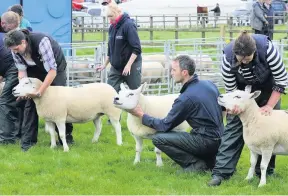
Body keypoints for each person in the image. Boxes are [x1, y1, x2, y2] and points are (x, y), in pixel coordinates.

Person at [208, 31, 288, 186]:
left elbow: (282, 79)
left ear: (254, 52)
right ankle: (221, 173)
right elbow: (231, 89)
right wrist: (234, 108)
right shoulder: (227, 58)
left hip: (268, 89)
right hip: (240, 94)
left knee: (270, 129)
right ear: (235, 53)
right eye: (240, 58)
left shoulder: (268, 50)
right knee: (233, 128)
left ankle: (265, 172)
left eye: (247, 57)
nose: (244, 61)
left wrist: (270, 105)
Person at [126, 55, 224, 172]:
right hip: (221, 139)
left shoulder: (185, 98)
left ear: (184, 73)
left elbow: (165, 125)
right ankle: (210, 159)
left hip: (206, 142)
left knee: (159, 138)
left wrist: (142, 115)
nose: (171, 73)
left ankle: (195, 164)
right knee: (191, 134)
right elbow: (223, 110)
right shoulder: (209, 84)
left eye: (174, 70)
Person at [4, 29, 74, 151]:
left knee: (59, 102)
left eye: (16, 49)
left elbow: (52, 71)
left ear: (23, 42)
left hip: (55, 70)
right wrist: (24, 88)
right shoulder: (15, 50)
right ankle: (28, 143)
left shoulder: (42, 41)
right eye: (12, 50)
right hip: (34, 70)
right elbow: (21, 71)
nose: (14, 52)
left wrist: (40, 91)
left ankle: (66, 138)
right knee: (30, 104)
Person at [96, 1, 142, 93]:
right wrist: (104, 65)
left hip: (131, 65)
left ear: (117, 13)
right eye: (108, 18)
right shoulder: (112, 27)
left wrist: (128, 65)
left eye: (111, 17)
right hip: (116, 66)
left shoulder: (129, 25)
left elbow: (136, 48)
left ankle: (138, 106)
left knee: (135, 93)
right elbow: (111, 49)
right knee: (110, 92)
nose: (110, 20)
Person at [0, 32, 21, 144]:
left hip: (15, 66)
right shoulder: (3, 35)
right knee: (14, 101)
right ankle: (18, 133)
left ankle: (7, 139)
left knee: (5, 101)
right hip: (12, 65)